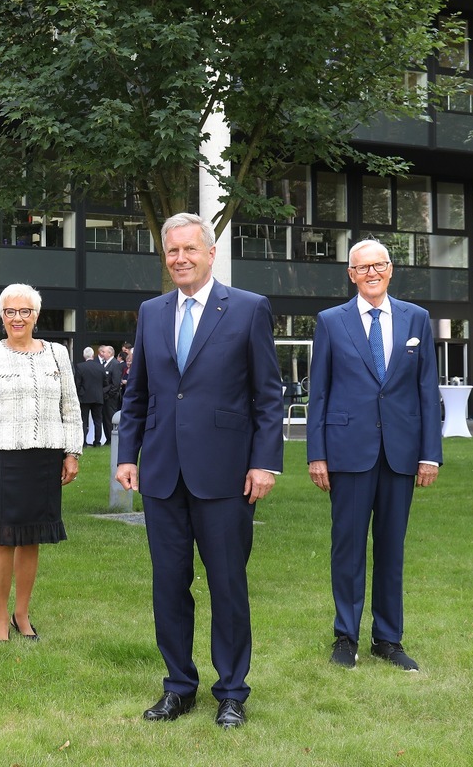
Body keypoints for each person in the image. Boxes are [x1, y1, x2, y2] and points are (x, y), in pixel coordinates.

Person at [114, 212, 283, 730]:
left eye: (190, 249)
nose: (181, 258)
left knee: (227, 584)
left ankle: (232, 690)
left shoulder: (249, 309)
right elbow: (137, 392)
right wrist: (126, 454)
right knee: (169, 584)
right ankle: (178, 686)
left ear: (210, 253)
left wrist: (264, 463)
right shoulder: (151, 311)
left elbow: (268, 396)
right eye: (172, 251)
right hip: (163, 474)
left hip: (227, 475)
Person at [306, 239, 441, 672]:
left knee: (391, 549)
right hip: (347, 454)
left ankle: (388, 638)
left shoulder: (416, 318)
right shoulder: (330, 322)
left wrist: (430, 455)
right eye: (362, 268)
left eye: (378, 265)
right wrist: (317, 454)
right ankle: (345, 637)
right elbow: (320, 393)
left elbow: (425, 391)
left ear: (390, 269)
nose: (371, 273)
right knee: (346, 548)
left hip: (401, 454)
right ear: (351, 274)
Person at [0, 284, 82, 643]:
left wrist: (72, 452)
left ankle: (22, 614)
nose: (18, 318)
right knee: (2, 539)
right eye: (11, 312)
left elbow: (71, 407)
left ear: (36, 316)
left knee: (31, 539)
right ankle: (0, 618)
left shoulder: (58, 354)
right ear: (2, 315)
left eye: (25, 312)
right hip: (1, 457)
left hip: (46, 457)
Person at [75, 346, 105, 446]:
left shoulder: (80, 366)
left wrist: (79, 393)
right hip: (98, 397)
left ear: (84, 356)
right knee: (98, 421)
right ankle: (97, 442)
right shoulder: (100, 367)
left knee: (84, 420)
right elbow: (105, 382)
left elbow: (77, 383)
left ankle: (83, 442)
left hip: (85, 397)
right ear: (93, 355)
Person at [99, 345, 122, 432]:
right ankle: (108, 438)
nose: (102, 354)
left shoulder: (115, 364)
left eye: (104, 352)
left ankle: (112, 437)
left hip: (111, 398)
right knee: (105, 418)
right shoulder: (105, 364)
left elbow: (115, 384)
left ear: (110, 353)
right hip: (105, 396)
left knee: (110, 418)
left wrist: (109, 395)